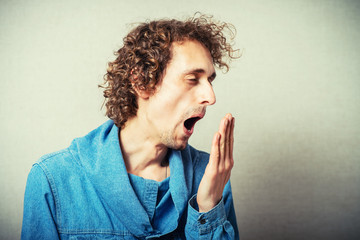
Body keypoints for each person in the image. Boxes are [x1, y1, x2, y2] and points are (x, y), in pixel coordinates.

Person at [21, 13, 240, 239]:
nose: (210, 97)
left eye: (210, 81)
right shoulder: (53, 179)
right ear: (141, 82)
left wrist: (208, 208)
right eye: (193, 79)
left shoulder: (211, 176)